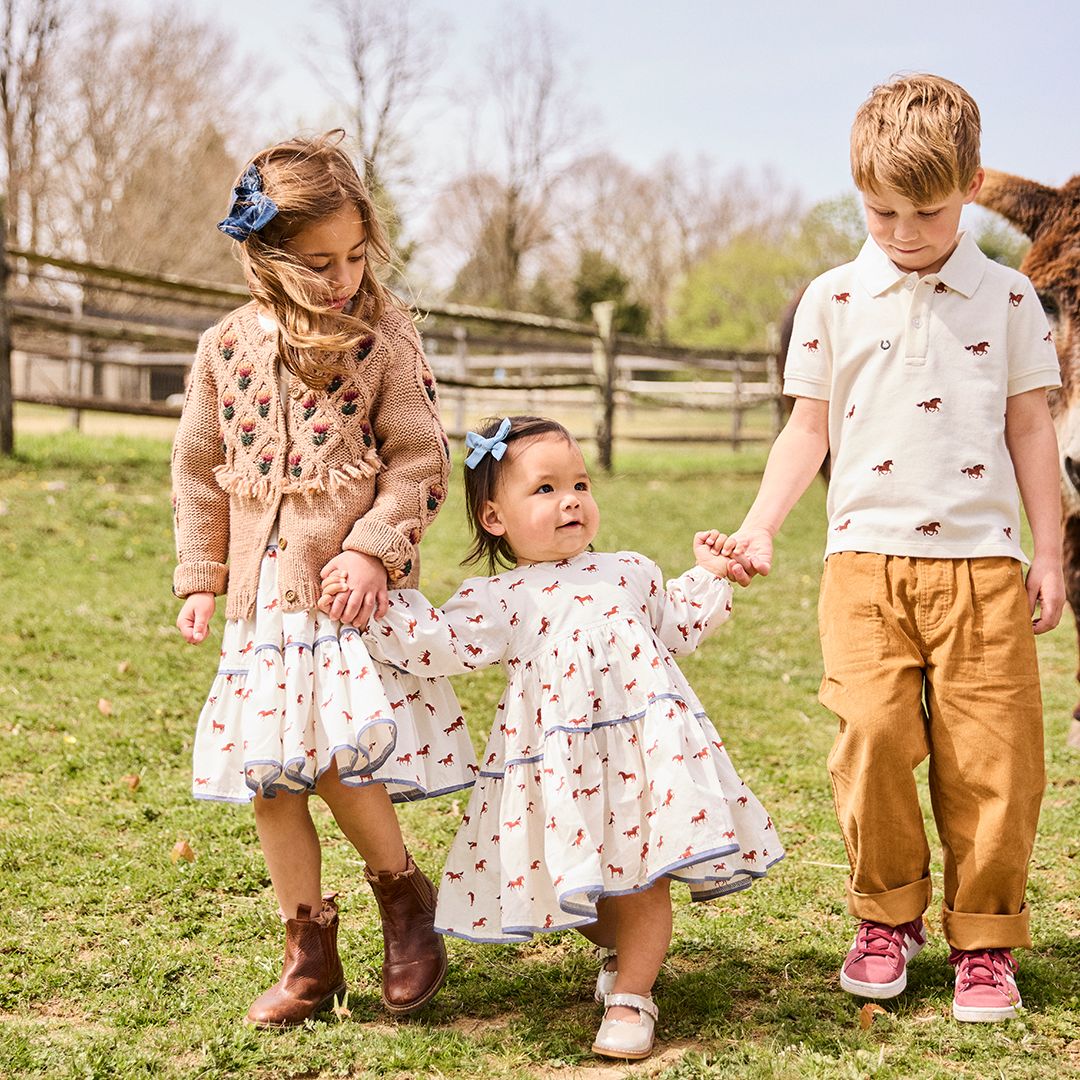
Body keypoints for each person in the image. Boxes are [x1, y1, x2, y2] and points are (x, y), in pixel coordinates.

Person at [717, 74, 1064, 1022]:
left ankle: (985, 938)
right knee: (869, 738)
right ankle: (887, 914)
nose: (905, 232)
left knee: (996, 761)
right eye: (882, 211)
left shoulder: (1011, 297)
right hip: (862, 563)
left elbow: (1033, 428)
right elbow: (806, 428)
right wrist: (760, 525)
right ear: (857, 191)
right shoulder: (833, 297)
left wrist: (1049, 552)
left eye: (930, 211)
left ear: (970, 190)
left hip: (985, 569)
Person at [323, 415, 782, 1060]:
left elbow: (676, 625)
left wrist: (711, 574)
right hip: (559, 769)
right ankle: (620, 955)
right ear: (493, 518)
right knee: (587, 892)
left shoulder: (631, 571)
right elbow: (439, 643)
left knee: (644, 873)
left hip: (644, 757)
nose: (570, 500)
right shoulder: (500, 596)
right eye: (544, 489)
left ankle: (632, 995)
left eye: (580, 484)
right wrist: (373, 598)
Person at [171, 131, 477, 1027]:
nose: (341, 276)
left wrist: (372, 547)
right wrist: (202, 574)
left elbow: (421, 459)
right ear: (263, 257)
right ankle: (307, 952)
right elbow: (197, 467)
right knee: (274, 780)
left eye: (353, 255)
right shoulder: (224, 350)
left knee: (343, 762)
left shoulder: (382, 334)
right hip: (263, 607)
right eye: (317, 262)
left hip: (345, 597)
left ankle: (404, 901)